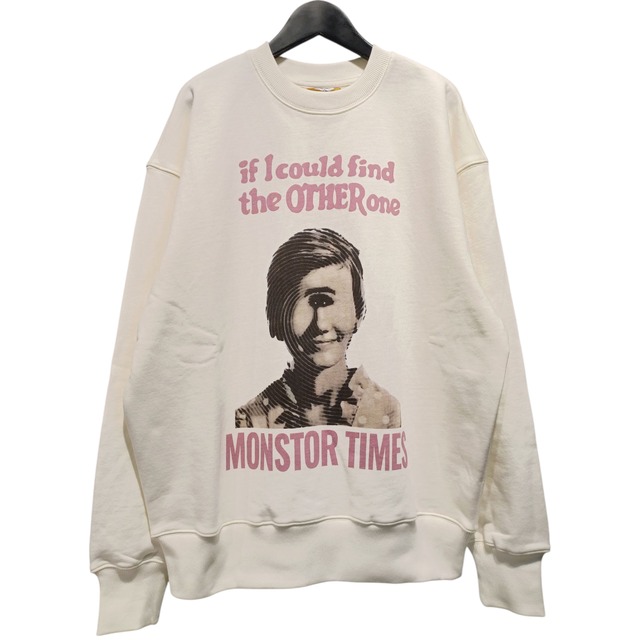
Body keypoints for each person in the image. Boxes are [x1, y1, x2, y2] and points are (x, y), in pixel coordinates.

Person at [235, 227, 401, 429]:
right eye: (303, 305)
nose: (320, 324)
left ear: (358, 313)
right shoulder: (249, 421)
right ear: (276, 318)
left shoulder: (388, 412)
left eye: (328, 302)